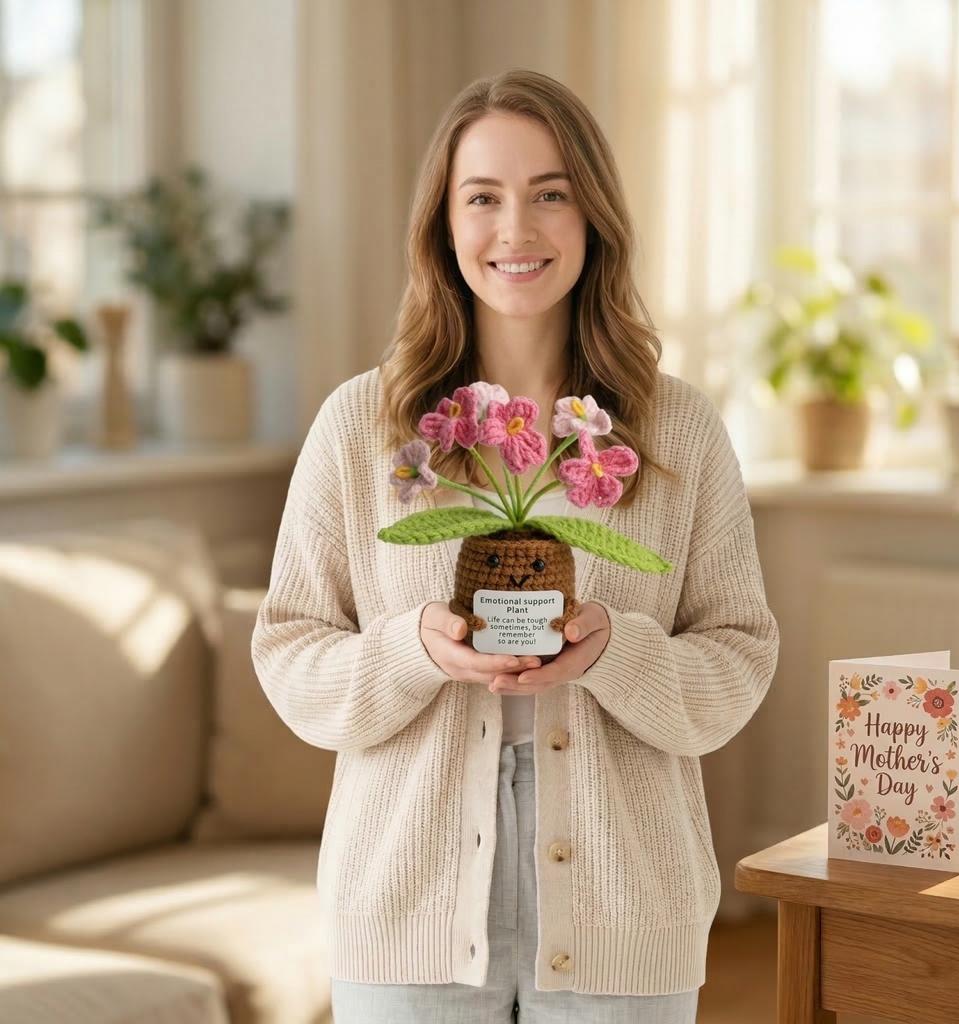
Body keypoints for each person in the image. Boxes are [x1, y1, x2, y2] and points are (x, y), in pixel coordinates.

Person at [251, 68, 779, 1024]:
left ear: (594, 216)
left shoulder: (678, 431)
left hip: (628, 910)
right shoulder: (361, 426)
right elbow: (289, 652)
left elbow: (739, 656)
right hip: (404, 911)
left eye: (550, 195)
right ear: (444, 224)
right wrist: (414, 649)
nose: (516, 230)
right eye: (483, 197)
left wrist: (618, 650)